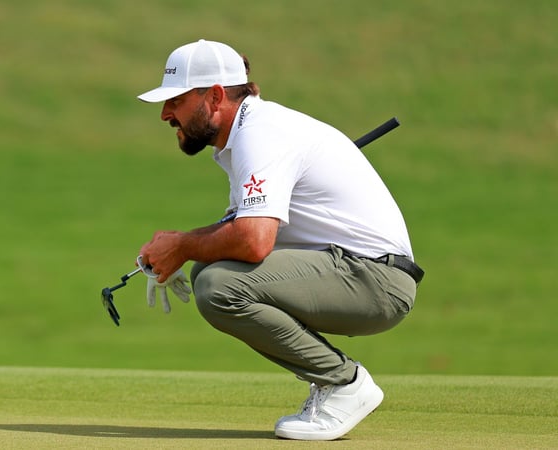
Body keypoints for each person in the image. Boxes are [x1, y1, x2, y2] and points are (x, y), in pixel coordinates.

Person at [135, 39, 424, 441]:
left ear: (215, 96)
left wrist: (181, 246)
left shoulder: (261, 134)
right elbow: (243, 238)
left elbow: (253, 242)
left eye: (176, 101)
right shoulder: (251, 134)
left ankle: (344, 384)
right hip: (357, 271)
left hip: (377, 281)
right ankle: (336, 383)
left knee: (219, 285)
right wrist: (186, 251)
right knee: (213, 272)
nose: (166, 113)